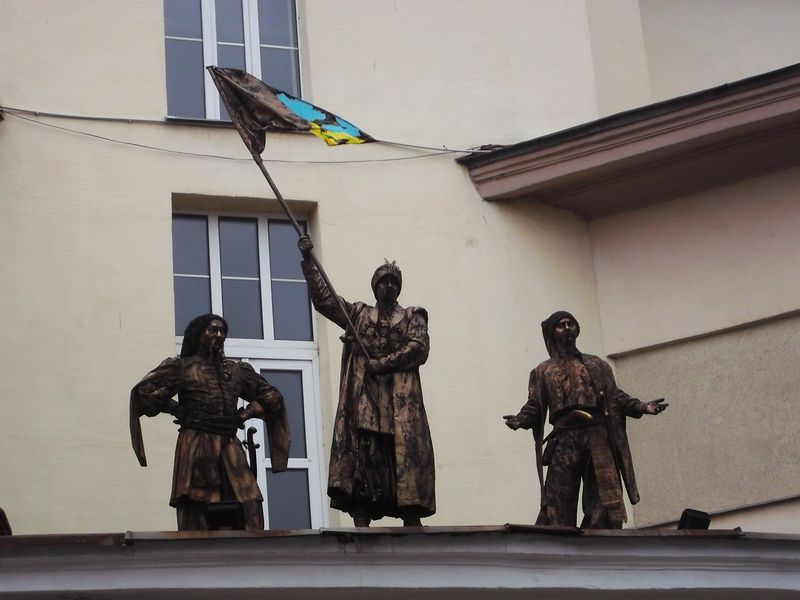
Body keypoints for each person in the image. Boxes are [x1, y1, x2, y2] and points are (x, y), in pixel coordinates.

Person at [298, 235, 435, 527]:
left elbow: (418, 349)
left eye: (393, 282)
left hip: (400, 405)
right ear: (375, 287)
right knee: (366, 455)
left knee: (403, 456)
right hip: (365, 403)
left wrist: (382, 363)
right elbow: (325, 302)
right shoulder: (358, 314)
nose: (389, 286)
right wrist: (309, 262)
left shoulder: (413, 316)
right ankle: (361, 512)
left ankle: (410, 515)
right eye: (384, 281)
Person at [504, 311, 667, 529]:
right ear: (553, 333)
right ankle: (558, 536)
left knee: (603, 496)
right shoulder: (543, 370)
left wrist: (642, 406)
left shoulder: (597, 364)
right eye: (561, 325)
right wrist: (520, 419)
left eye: (571, 323)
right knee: (558, 496)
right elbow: (535, 404)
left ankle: (600, 536)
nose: (567, 328)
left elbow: (615, 396)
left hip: (597, 434)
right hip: (564, 436)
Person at [130, 314, 290, 530]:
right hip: (197, 444)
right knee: (198, 505)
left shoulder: (236, 370)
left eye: (223, 331)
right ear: (198, 334)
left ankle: (253, 554)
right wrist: (176, 409)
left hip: (230, 444)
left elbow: (272, 396)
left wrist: (245, 414)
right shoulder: (182, 368)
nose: (219, 335)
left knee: (250, 503)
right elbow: (143, 393)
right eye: (213, 330)